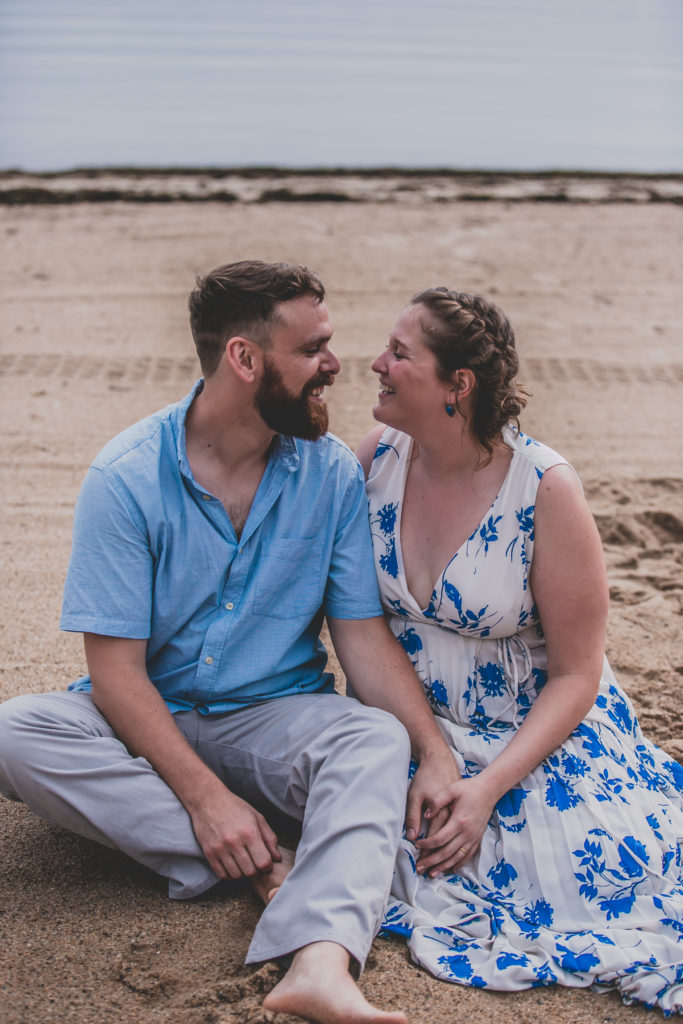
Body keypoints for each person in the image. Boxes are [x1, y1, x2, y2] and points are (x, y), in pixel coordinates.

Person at [0, 261, 462, 1024]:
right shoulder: (125, 479)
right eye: (312, 348)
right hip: (143, 716)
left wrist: (431, 750)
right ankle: (264, 860)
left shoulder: (328, 475)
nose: (334, 366)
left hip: (272, 719)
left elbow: (360, 638)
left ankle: (320, 960)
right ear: (245, 359)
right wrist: (207, 799)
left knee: (373, 739)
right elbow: (113, 674)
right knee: (16, 733)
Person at [357, 287, 683, 1016]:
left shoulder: (542, 489)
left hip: (529, 738)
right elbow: (353, 620)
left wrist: (488, 788)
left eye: (399, 354)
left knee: (565, 882)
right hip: (411, 728)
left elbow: (576, 673)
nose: (375, 363)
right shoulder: (375, 458)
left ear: (457, 386)